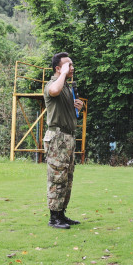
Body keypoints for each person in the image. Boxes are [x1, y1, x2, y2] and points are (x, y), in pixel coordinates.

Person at [43, 52, 84, 230]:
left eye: (72, 65)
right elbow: (54, 91)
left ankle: (61, 214)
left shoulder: (67, 87)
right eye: (68, 65)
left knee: (67, 179)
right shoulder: (53, 84)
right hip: (57, 138)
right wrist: (63, 74)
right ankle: (53, 218)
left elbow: (69, 113)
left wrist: (78, 109)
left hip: (68, 137)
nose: (72, 68)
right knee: (57, 177)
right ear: (58, 68)